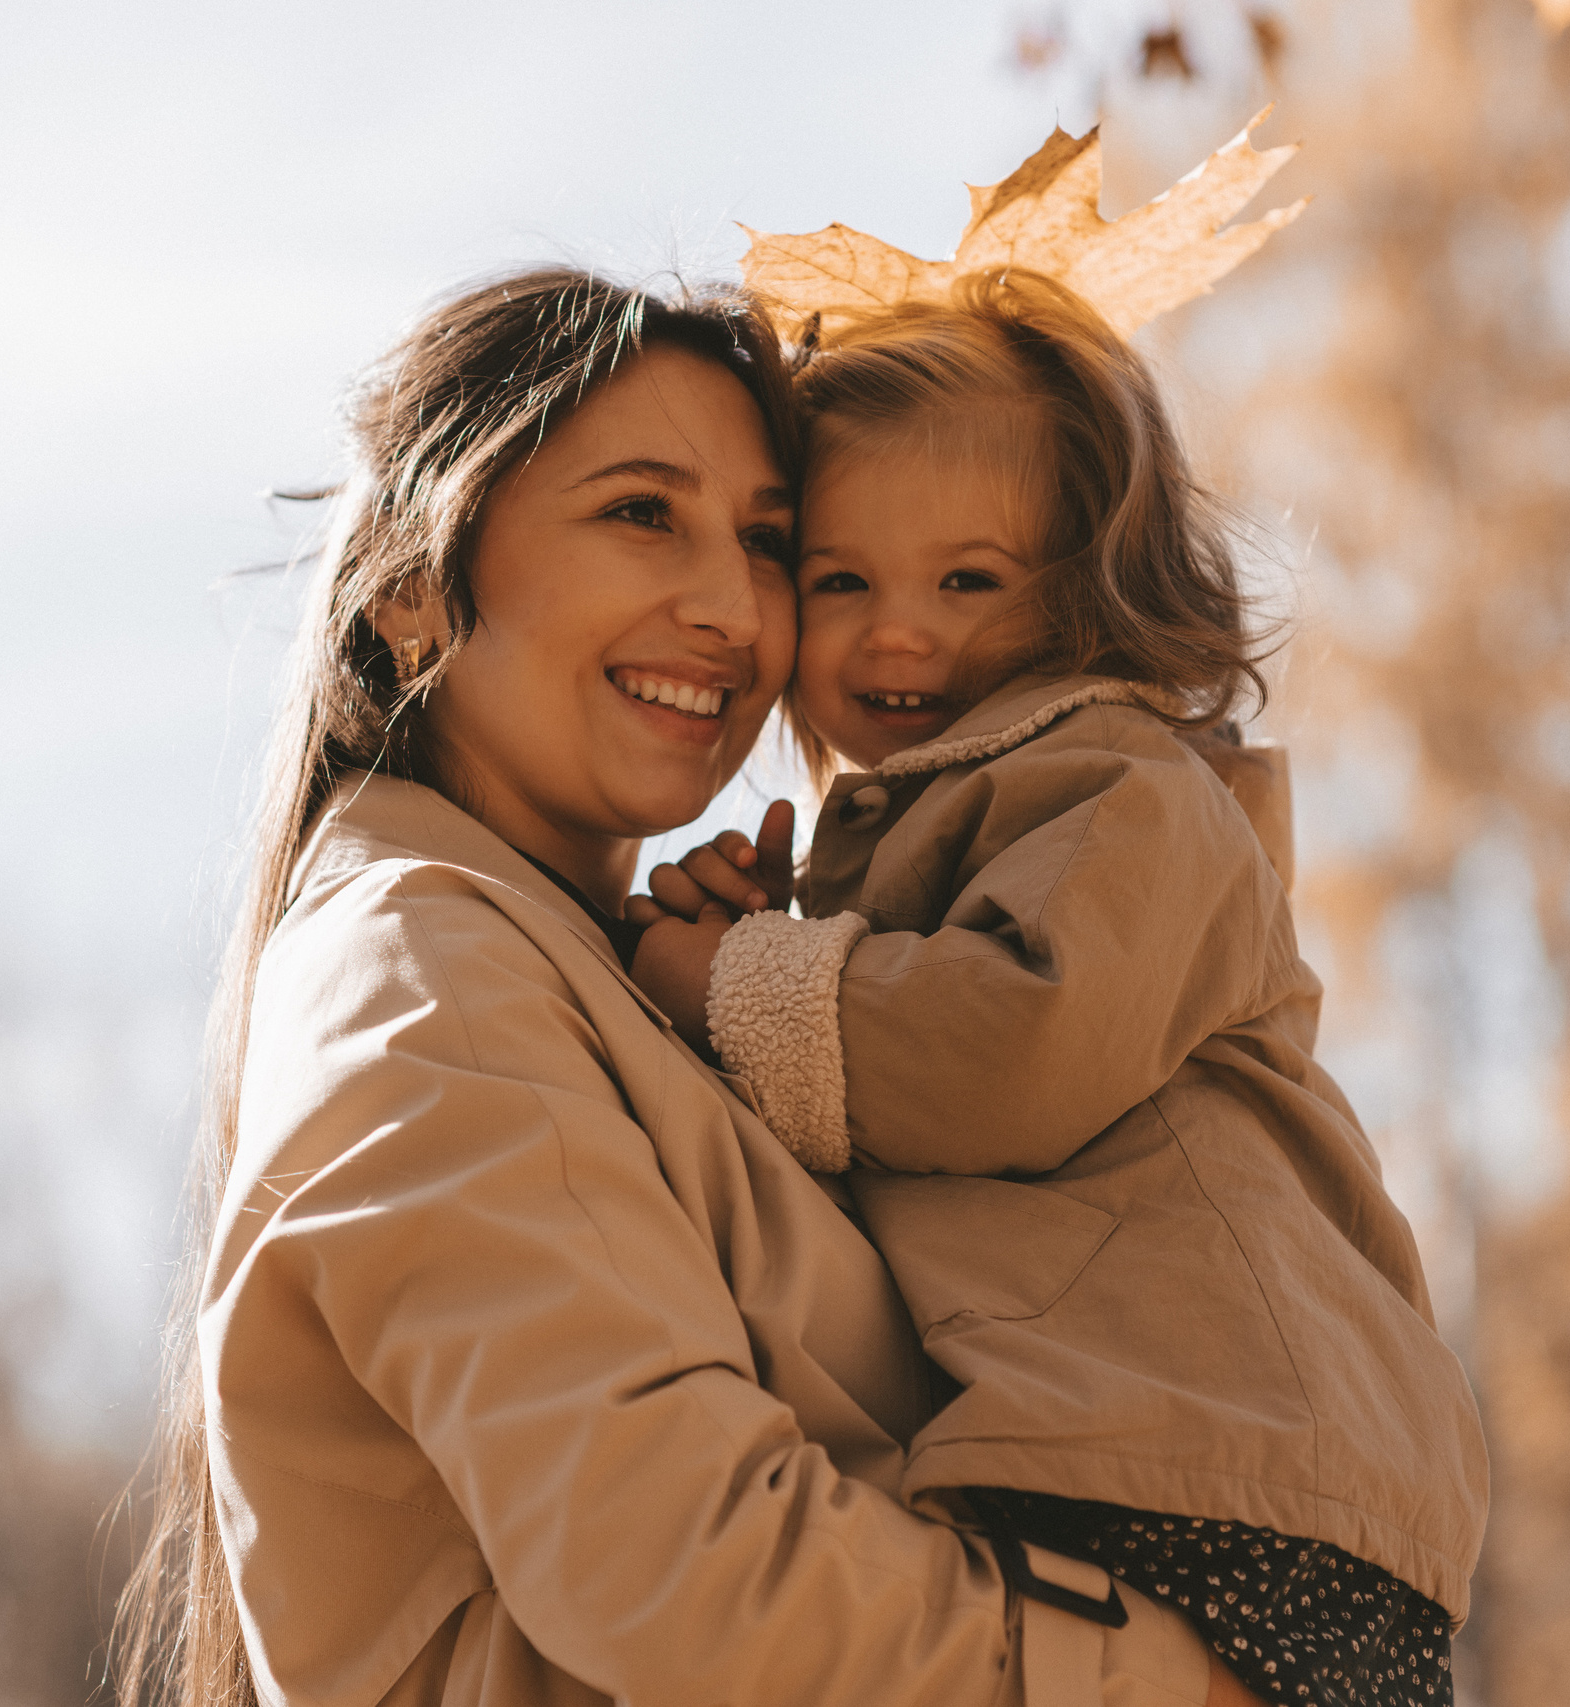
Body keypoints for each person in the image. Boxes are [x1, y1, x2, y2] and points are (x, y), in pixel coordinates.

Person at [116, 266, 1269, 1707]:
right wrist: (1181, 1683)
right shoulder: (424, 975)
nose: (731, 606)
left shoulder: (620, 993)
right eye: (640, 512)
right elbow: (696, 1576)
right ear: (413, 590)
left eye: (772, 543)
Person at [628, 270, 1490, 1706]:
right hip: (1144, 1453)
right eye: (842, 581)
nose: (898, 632)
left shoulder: (1128, 790)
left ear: (1094, 592)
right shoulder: (932, 832)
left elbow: (1009, 1048)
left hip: (1244, 1458)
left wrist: (738, 980)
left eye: (969, 580)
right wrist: (737, 970)